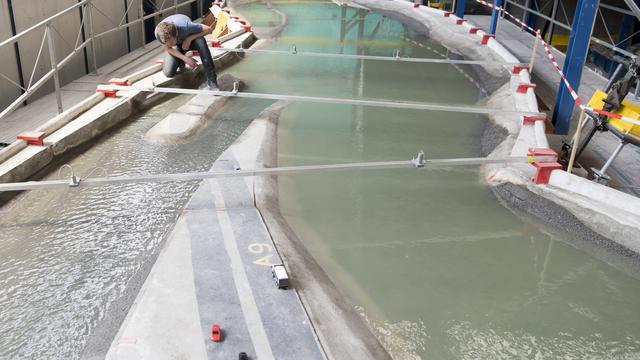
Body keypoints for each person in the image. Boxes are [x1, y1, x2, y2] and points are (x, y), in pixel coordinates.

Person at [155, 14, 219, 90]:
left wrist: (189, 38)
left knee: (200, 41)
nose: (169, 44)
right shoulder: (158, 33)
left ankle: (212, 80)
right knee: (168, 72)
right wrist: (185, 58)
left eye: (171, 42)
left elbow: (209, 29)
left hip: (190, 40)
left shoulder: (187, 26)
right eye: (166, 42)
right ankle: (181, 63)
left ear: (177, 34)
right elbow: (168, 48)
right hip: (178, 46)